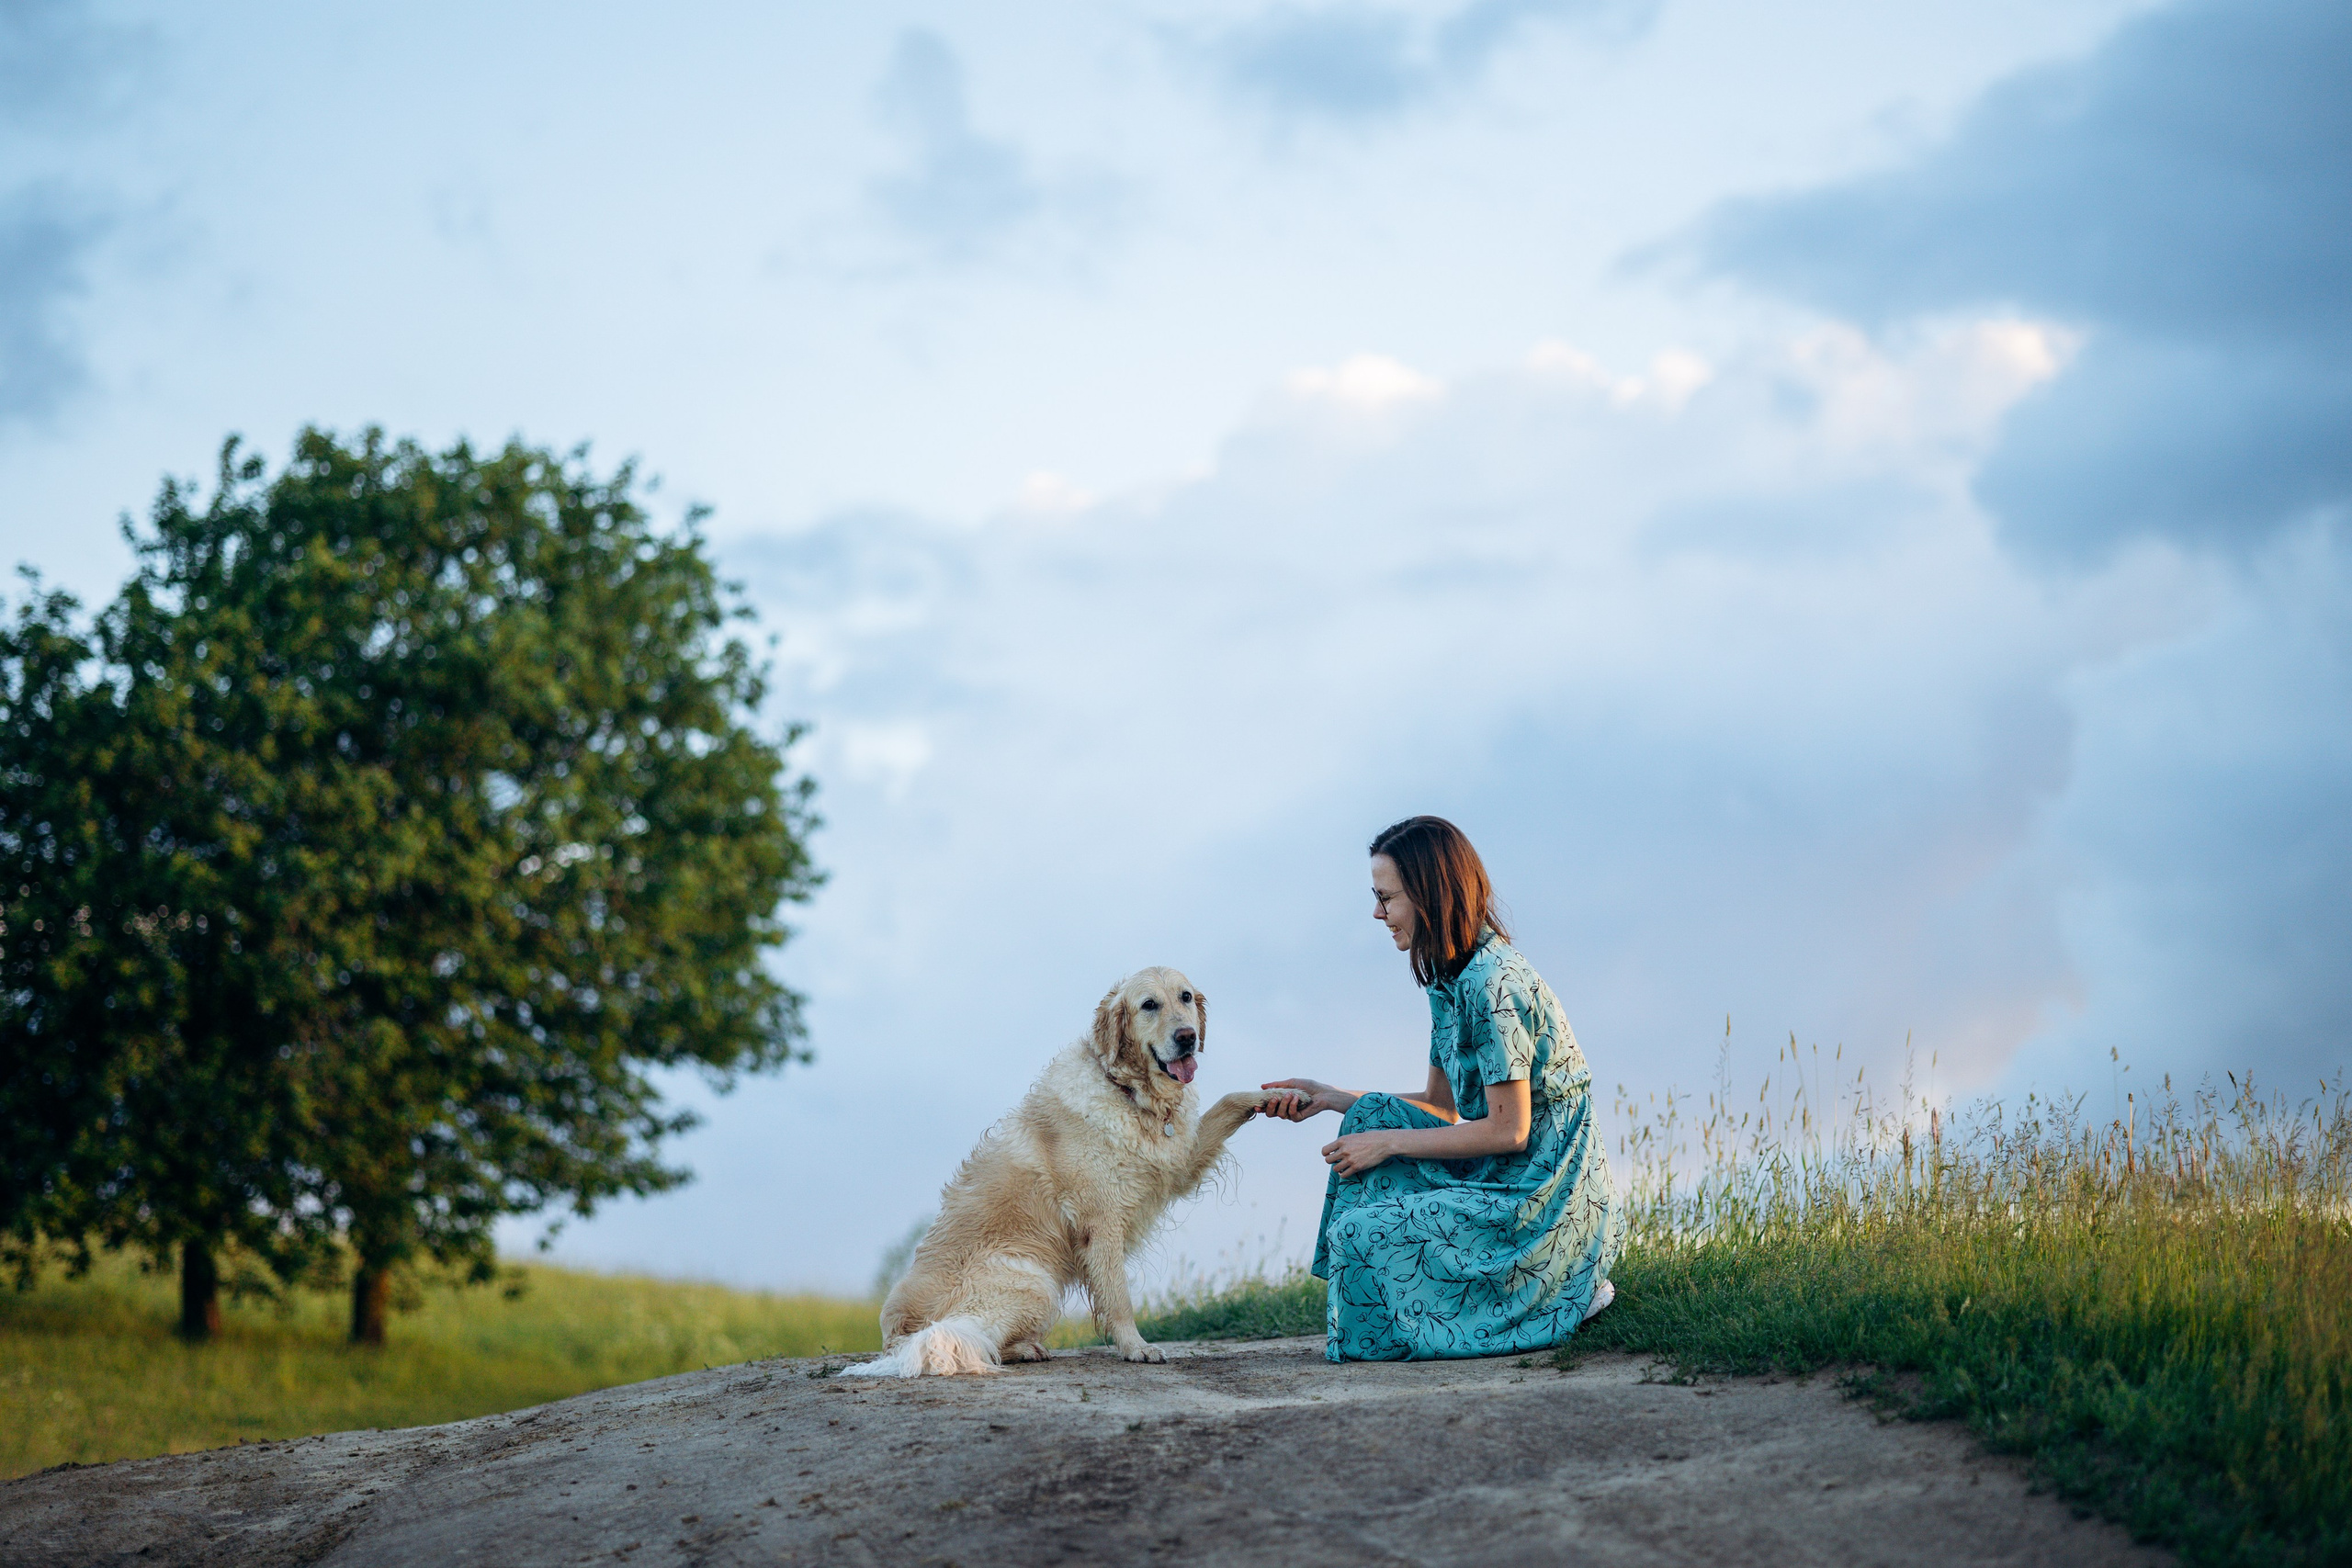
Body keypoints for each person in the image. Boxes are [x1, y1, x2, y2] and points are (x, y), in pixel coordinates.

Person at [1264, 815, 1620, 1361]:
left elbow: (1510, 1130)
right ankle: (1401, 1315)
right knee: (1370, 1117)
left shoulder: (1493, 984)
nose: (1378, 913)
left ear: (1429, 895)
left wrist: (1389, 1143)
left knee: (1361, 1229)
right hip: (1501, 1167)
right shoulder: (1448, 977)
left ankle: (1557, 1286)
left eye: (1387, 898)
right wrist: (1333, 1097)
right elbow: (1440, 1106)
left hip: (1543, 1194)